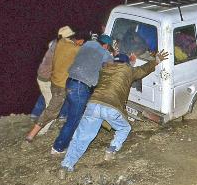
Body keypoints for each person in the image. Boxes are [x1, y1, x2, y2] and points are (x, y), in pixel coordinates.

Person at [59, 50, 169, 178]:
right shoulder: (128, 70)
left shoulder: (104, 69)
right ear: (126, 63)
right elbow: (143, 70)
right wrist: (156, 61)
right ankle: (111, 150)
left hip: (93, 105)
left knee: (81, 137)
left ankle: (66, 165)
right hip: (112, 106)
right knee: (124, 128)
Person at [51, 34, 114, 154]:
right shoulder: (105, 53)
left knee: (71, 104)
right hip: (80, 87)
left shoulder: (88, 44)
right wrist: (114, 57)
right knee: (74, 120)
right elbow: (111, 67)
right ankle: (58, 147)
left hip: (69, 80)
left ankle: (61, 117)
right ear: (106, 45)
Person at [26, 26, 81, 141]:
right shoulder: (70, 47)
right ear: (70, 37)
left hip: (51, 79)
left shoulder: (57, 43)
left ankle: (42, 117)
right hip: (50, 80)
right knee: (51, 109)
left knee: (51, 103)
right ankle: (35, 133)